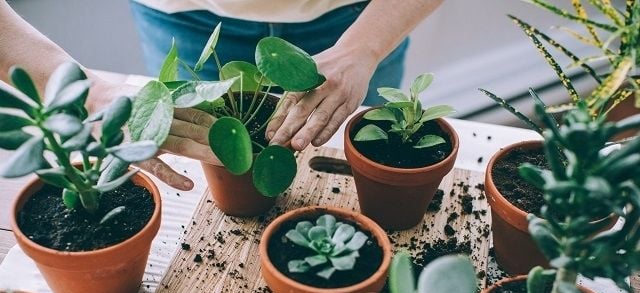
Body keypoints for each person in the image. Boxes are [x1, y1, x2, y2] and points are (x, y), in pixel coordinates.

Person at [0, 0, 443, 190]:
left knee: (368, 162)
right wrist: (88, 92)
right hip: (184, 20)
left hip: (360, 18)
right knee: (205, 146)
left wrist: (365, 46)